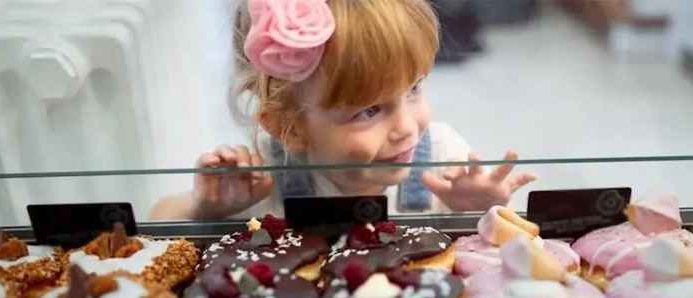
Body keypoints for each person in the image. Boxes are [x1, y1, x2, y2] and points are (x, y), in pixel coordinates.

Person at [150, 0, 537, 221]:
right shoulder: (263, 176)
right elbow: (157, 223)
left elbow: (510, 245)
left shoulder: (443, 156)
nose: (406, 127)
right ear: (290, 128)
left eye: (413, 89)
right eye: (369, 111)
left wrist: (481, 211)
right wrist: (204, 209)